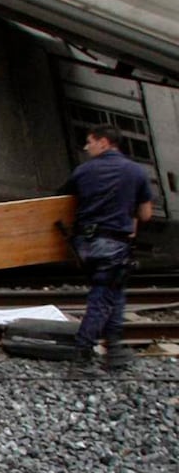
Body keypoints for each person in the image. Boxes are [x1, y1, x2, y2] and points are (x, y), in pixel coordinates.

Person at [63, 124, 154, 377]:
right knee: (102, 299)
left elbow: (62, 203)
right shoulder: (136, 172)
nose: (86, 147)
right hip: (114, 244)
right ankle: (81, 359)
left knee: (114, 293)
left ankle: (114, 349)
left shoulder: (82, 171)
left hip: (85, 245)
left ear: (104, 142)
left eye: (90, 142)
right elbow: (145, 214)